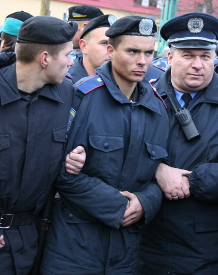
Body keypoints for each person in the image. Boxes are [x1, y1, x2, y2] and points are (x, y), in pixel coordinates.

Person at [40, 16, 169, 275]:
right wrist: (118, 206)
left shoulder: (158, 108)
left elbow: (160, 172)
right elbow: (59, 171)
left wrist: (145, 203)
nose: (142, 61)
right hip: (74, 249)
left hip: (126, 254)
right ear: (111, 51)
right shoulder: (80, 96)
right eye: (133, 51)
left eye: (148, 53)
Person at [138, 12, 218, 274]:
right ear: (170, 57)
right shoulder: (142, 97)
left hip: (206, 248)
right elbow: (121, 153)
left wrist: (190, 181)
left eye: (205, 56)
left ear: (215, 59)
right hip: (143, 237)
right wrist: (158, 170)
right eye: (188, 55)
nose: (197, 65)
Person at [0, 16, 78, 275]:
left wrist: (75, 158)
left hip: (36, 243)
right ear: (44, 58)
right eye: (68, 55)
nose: (71, 62)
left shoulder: (66, 95)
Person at [68, 14, 116, 83]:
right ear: (84, 46)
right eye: (104, 43)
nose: (111, 50)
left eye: (115, 45)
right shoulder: (66, 83)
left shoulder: (121, 83)